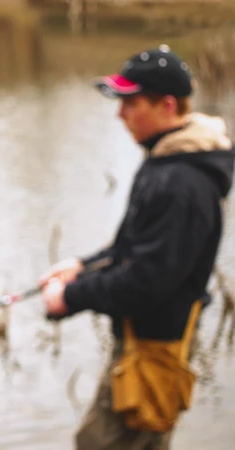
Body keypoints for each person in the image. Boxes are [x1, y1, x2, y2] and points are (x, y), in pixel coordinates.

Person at [38, 45, 235, 449]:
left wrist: (69, 297)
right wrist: (81, 266)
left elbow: (148, 281)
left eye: (130, 103)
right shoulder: (167, 159)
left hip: (156, 347)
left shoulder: (182, 181)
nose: (120, 114)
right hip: (141, 339)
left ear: (165, 105)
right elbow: (134, 246)